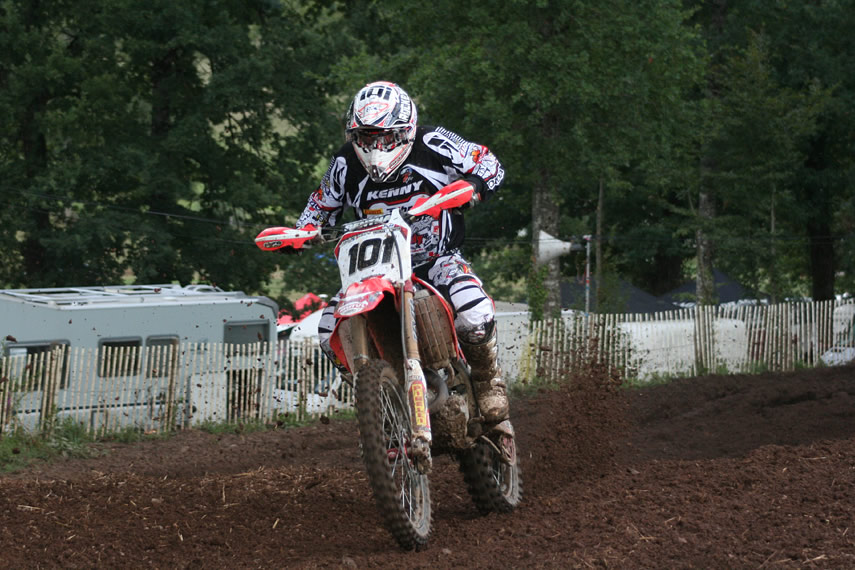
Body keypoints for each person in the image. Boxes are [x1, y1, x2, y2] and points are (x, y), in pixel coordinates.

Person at [293, 80, 509, 425]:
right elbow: (319, 206)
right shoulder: (345, 162)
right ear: (353, 135)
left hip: (436, 260)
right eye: (366, 138)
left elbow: (487, 162)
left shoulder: (432, 142)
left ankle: (487, 379)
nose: (376, 147)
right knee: (328, 330)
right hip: (374, 270)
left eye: (386, 137)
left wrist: (474, 186)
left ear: (406, 129)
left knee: (474, 313)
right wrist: (301, 233)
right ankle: (375, 396)